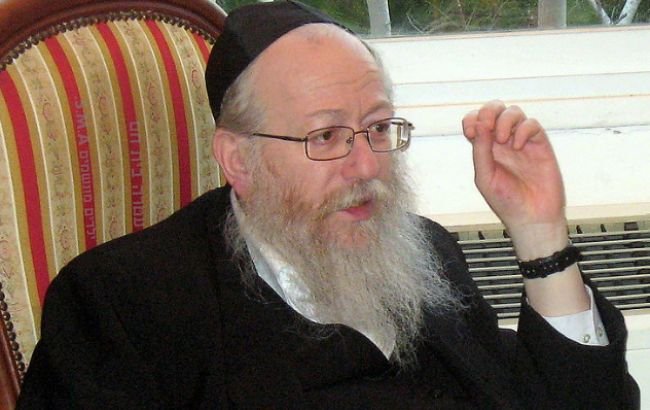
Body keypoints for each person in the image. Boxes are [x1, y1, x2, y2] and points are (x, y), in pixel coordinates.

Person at [17, 1, 639, 409]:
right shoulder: (124, 305)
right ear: (239, 160)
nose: (366, 166)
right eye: (325, 136)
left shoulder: (423, 254)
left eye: (378, 128)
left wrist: (540, 235)